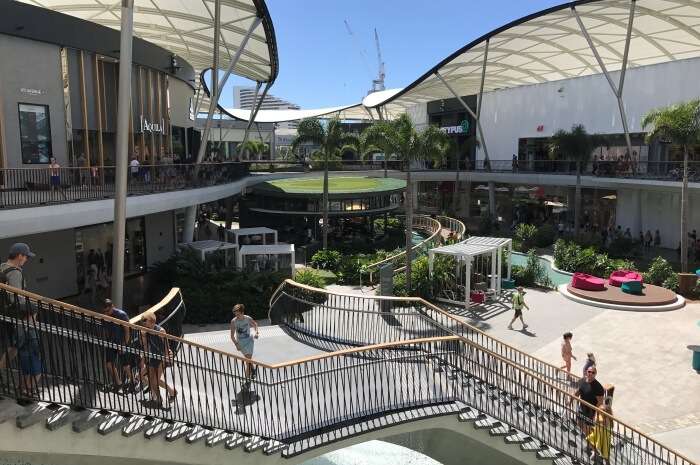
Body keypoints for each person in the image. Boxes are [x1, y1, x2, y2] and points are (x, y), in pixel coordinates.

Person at [0, 243, 35, 380]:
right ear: (20, 256)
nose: (26, 259)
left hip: (4, 313)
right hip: (14, 315)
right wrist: (31, 306)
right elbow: (17, 299)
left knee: (14, 346)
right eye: (26, 256)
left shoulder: (2, 267)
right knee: (17, 345)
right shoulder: (15, 272)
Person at [140, 312, 176, 408]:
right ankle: (163, 395)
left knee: (155, 381)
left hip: (161, 358)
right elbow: (145, 346)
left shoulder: (161, 331)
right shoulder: (145, 331)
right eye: (142, 321)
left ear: (152, 322)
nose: (143, 323)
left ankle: (160, 398)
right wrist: (144, 358)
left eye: (145, 321)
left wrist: (166, 359)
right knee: (151, 379)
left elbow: (166, 347)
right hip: (152, 357)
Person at [102, 299, 130, 393]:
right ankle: (118, 383)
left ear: (112, 306)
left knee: (125, 365)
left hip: (121, 342)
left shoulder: (121, 315)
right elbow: (106, 328)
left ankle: (133, 382)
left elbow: (127, 330)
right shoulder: (105, 315)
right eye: (105, 311)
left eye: (108, 311)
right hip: (111, 342)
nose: (107, 313)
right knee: (109, 363)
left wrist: (125, 343)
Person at [16, 305, 42, 398]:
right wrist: (38, 352)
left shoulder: (19, 324)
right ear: (30, 316)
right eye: (35, 316)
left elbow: (19, 341)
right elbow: (34, 342)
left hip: (23, 353)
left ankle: (22, 387)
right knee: (37, 372)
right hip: (31, 354)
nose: (36, 319)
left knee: (26, 372)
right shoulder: (30, 328)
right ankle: (29, 389)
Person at [230, 304, 259, 381]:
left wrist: (256, 333)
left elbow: (255, 324)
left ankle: (246, 380)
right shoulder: (233, 321)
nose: (237, 315)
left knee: (248, 361)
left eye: (238, 314)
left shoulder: (247, 318)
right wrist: (236, 344)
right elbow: (232, 336)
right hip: (241, 343)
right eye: (235, 314)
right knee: (249, 361)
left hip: (249, 341)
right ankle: (253, 371)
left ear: (242, 312)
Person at [572, 365, 605, 435]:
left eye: (593, 372)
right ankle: (590, 437)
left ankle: (590, 441)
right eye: (589, 371)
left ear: (595, 374)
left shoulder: (598, 387)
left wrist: (595, 415)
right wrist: (570, 400)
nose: (590, 373)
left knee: (588, 427)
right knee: (579, 423)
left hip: (590, 411)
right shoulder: (583, 380)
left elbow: (600, 403)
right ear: (586, 372)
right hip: (582, 408)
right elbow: (578, 391)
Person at [586, 396, 614, 463]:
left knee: (605, 455)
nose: (601, 411)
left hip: (604, 435)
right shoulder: (601, 411)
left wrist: (600, 419)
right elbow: (595, 420)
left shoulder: (608, 415)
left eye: (603, 411)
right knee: (589, 440)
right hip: (598, 432)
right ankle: (595, 453)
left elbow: (605, 423)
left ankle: (604, 460)